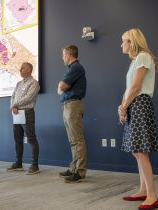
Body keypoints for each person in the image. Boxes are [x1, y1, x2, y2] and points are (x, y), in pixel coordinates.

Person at [118, 28, 158, 210]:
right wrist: (122, 106)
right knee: (137, 150)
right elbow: (129, 88)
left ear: (132, 42)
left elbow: (136, 87)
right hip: (133, 104)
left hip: (140, 104)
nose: (121, 45)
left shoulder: (143, 56)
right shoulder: (136, 60)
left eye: (124, 41)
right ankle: (143, 190)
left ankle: (152, 196)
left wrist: (124, 106)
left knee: (141, 151)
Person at [57, 45, 87, 183]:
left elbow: (61, 86)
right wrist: (61, 87)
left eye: (63, 54)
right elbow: (61, 88)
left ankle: (80, 172)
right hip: (68, 105)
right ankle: (74, 168)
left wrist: (61, 86)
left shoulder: (76, 67)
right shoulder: (73, 68)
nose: (62, 57)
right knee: (73, 140)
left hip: (73, 105)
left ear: (69, 54)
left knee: (77, 140)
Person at [7, 62, 40, 175]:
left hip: (27, 113)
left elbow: (29, 97)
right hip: (16, 114)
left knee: (31, 139)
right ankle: (18, 163)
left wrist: (15, 104)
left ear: (29, 70)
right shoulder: (18, 83)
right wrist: (13, 106)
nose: (20, 70)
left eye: (22, 68)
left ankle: (35, 165)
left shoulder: (34, 83)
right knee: (18, 139)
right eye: (20, 68)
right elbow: (12, 96)